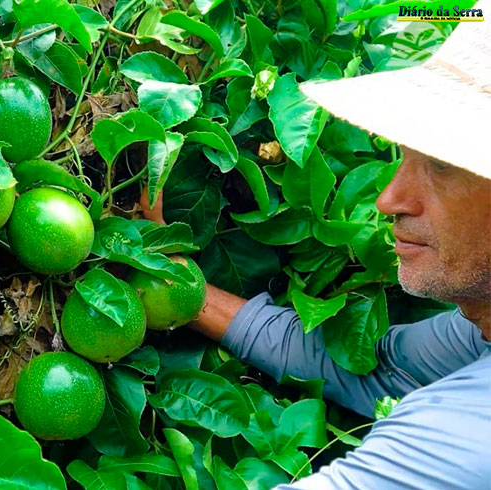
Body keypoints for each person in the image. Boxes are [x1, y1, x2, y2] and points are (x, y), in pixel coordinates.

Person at [141, 9, 490, 490]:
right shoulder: (479, 335)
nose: (389, 200)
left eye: (442, 166)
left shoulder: (468, 441)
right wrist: (181, 287)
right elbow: (375, 371)